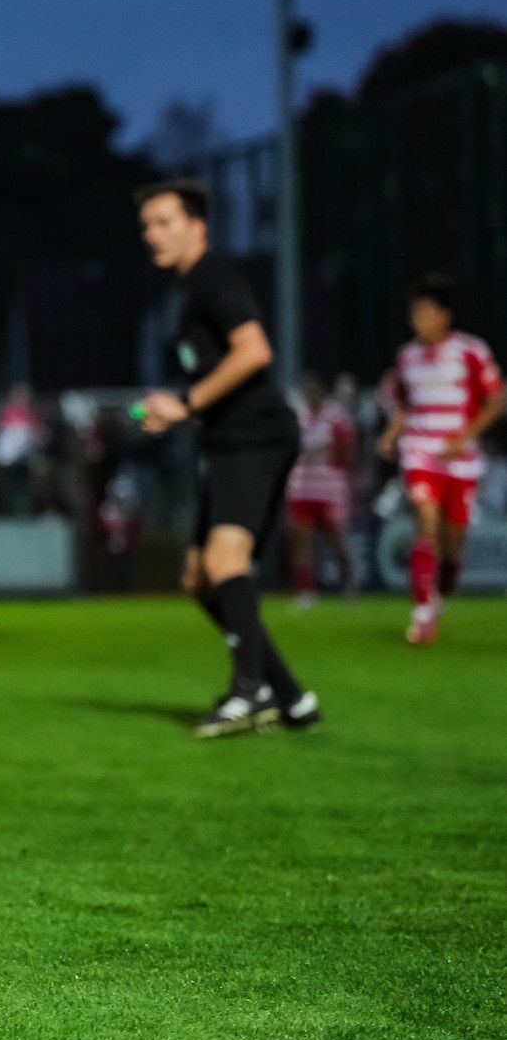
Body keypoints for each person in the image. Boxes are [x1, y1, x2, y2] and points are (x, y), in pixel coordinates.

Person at [133, 179, 319, 738]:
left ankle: (248, 692)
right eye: (147, 225)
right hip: (228, 440)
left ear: (198, 226)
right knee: (199, 578)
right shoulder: (188, 292)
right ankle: (291, 697)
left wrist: (186, 403)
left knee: (225, 562)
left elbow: (255, 351)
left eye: (165, 222)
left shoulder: (215, 280)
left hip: (255, 436)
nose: (153, 235)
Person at [377, 275, 502, 645]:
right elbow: (404, 405)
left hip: (461, 459)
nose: (420, 320)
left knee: (452, 544)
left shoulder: (472, 352)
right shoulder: (406, 357)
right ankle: (421, 612)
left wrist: (463, 437)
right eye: (416, 313)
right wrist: (391, 435)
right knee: (426, 521)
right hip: (420, 450)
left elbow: (496, 401)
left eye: (428, 313)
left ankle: (439, 594)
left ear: (445, 315)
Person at [285, 371, 358, 607]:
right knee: (302, 539)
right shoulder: (297, 416)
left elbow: (348, 450)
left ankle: (348, 583)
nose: (309, 396)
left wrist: (330, 459)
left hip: (329, 488)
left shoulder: (335, 416)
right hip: (301, 487)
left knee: (336, 541)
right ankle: (306, 592)